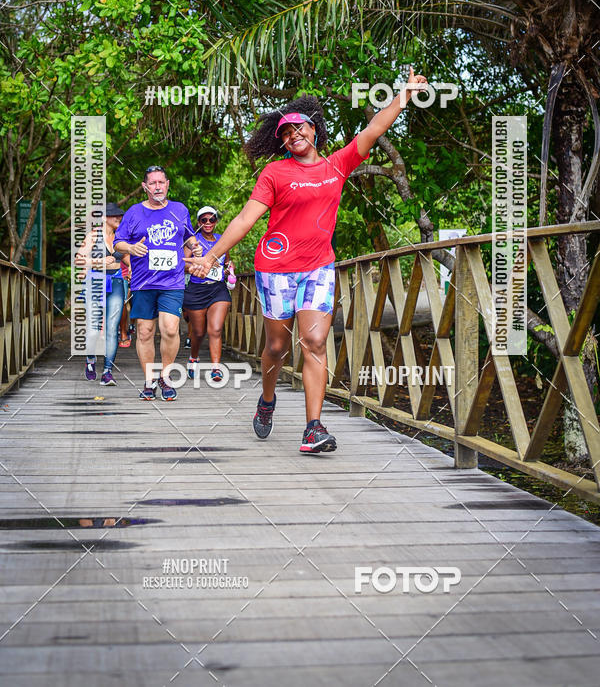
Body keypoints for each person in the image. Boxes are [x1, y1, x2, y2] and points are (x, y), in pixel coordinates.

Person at [193, 68, 428, 452]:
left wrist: (403, 94)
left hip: (319, 266)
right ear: (282, 142)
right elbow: (244, 219)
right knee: (276, 348)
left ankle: (313, 428)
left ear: (314, 129)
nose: (293, 135)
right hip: (275, 268)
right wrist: (211, 257)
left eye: (298, 128)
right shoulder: (274, 172)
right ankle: (267, 400)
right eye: (285, 133)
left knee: (316, 341)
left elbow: (372, 132)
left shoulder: (336, 165)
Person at [114, 165, 200, 401]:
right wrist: (130, 247)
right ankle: (150, 380)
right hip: (143, 282)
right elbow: (118, 243)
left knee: (170, 328)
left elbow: (189, 234)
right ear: (145, 187)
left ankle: (166, 376)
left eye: (161, 182)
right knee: (144, 331)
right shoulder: (133, 212)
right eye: (152, 183)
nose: (157, 187)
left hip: (172, 280)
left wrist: (195, 245)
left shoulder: (179, 210)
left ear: (168, 184)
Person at [74, 202, 130, 386]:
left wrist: (134, 267)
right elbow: (78, 260)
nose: (118, 219)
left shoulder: (120, 238)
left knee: (112, 328)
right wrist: (99, 260)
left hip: (116, 281)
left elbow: (128, 260)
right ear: (105, 218)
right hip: (95, 281)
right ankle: (90, 359)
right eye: (115, 216)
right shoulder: (93, 235)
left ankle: (107, 371)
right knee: (92, 330)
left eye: (120, 216)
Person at [183, 206, 235, 383]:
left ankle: (216, 369)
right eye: (204, 220)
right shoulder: (193, 242)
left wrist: (229, 269)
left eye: (211, 219)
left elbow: (227, 261)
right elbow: (183, 264)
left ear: (216, 222)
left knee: (216, 329)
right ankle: (193, 357)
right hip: (197, 289)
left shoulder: (222, 240)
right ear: (198, 223)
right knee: (198, 332)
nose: (208, 223)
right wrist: (196, 268)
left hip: (218, 289)